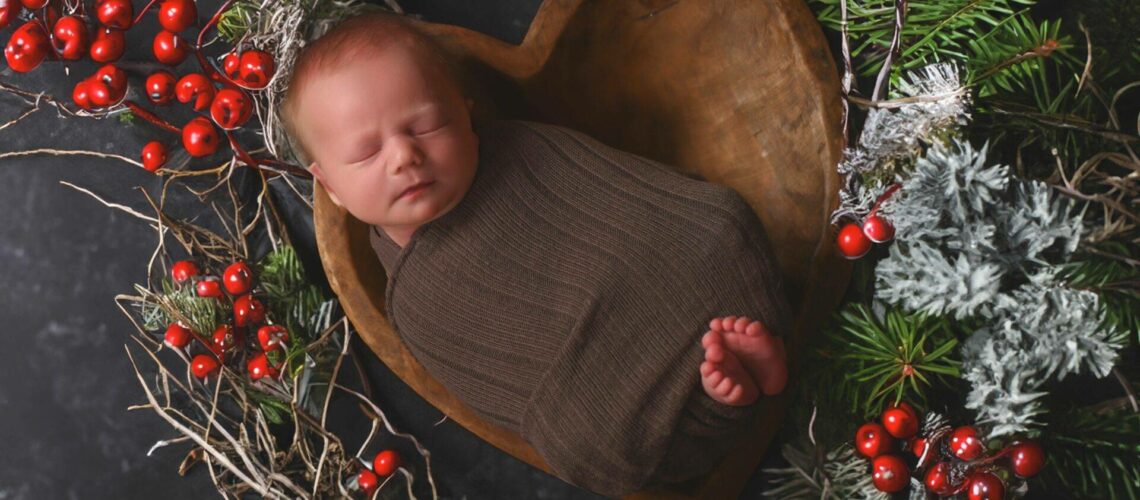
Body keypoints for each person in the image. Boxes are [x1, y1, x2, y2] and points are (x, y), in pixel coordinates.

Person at [280, 11, 792, 496]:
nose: (404, 156)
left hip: (679, 280)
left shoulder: (525, 153)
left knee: (719, 226)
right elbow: (515, 405)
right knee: (584, 437)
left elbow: (637, 207)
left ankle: (741, 365)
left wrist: (638, 270)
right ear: (331, 187)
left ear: (465, 113)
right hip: (628, 406)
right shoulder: (415, 307)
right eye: (368, 153)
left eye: (427, 125)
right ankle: (726, 395)